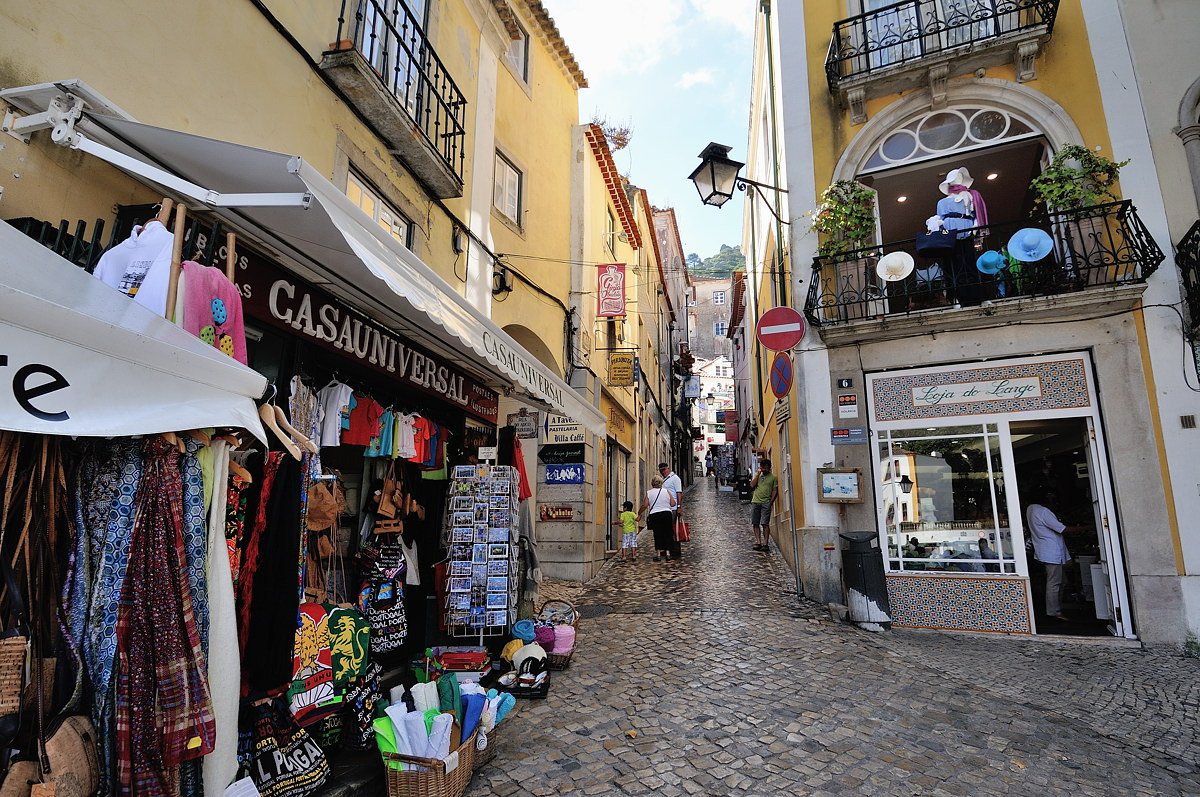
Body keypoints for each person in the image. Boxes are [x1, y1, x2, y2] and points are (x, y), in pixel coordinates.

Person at [1026, 491, 1072, 621]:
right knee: (1054, 583)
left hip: (1046, 551)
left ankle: (1056, 608)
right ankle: (1054, 612)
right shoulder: (1043, 511)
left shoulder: (1030, 509)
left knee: (1061, 581)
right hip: (1051, 553)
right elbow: (1061, 529)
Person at [640, 475, 677, 562]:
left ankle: (658, 555)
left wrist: (639, 512)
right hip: (666, 514)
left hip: (655, 515)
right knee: (668, 533)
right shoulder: (666, 491)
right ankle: (668, 554)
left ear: (652, 483)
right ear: (661, 483)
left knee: (657, 534)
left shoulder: (649, 493)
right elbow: (673, 503)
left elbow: (645, 505)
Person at [748, 458, 778, 552]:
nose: (764, 470)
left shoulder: (773, 478)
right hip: (755, 501)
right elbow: (752, 485)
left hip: (766, 502)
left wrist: (771, 502)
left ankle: (765, 543)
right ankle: (758, 542)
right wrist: (757, 474)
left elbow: (775, 491)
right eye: (762, 468)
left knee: (765, 523)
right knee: (755, 523)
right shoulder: (758, 476)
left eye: (765, 468)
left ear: (769, 468)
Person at [658, 463, 684, 561]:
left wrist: (679, 507)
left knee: (673, 529)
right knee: (666, 529)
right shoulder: (664, 480)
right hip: (666, 508)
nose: (663, 472)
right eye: (661, 470)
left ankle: (675, 550)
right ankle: (667, 548)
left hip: (673, 508)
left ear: (668, 468)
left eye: (664, 469)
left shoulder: (675, 478)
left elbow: (679, 493)